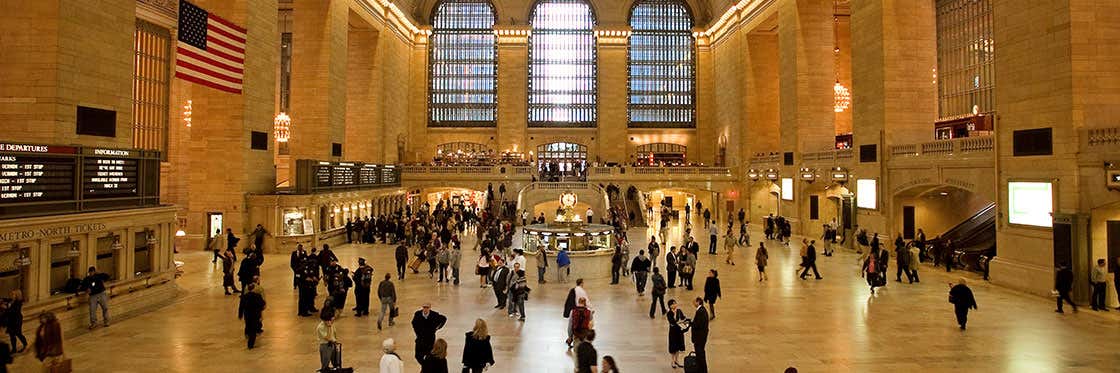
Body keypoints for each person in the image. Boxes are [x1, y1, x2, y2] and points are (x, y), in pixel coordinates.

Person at [237, 283, 266, 349]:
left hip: (247, 314)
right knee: (253, 328)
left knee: (248, 325)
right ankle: (251, 343)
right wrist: (260, 310)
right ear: (253, 288)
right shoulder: (257, 296)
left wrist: (240, 315)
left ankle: (248, 336)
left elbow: (241, 306)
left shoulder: (244, 296)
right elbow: (262, 304)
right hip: (255, 314)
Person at [666, 299, 689, 368]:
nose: (674, 305)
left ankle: (677, 360)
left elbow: (683, 318)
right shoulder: (669, 313)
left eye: (675, 303)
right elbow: (672, 322)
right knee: (673, 347)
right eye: (672, 304)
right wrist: (679, 322)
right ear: (670, 306)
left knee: (678, 346)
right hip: (673, 332)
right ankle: (672, 361)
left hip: (679, 331)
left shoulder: (679, 311)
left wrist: (684, 321)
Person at [690, 297, 710, 372]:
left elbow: (697, 325)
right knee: (700, 353)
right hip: (702, 336)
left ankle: (702, 370)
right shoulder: (702, 310)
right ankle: (701, 369)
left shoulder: (700, 311)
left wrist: (691, 324)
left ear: (698, 302)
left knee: (700, 354)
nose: (693, 303)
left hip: (699, 337)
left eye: (694, 302)